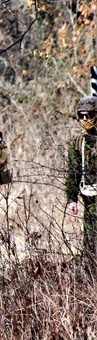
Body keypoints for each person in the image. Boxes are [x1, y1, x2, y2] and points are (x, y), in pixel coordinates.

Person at [65, 95, 97, 253]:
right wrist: (71, 198)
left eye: (89, 115)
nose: (85, 119)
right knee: (90, 244)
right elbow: (73, 171)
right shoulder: (79, 142)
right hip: (90, 198)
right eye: (81, 115)